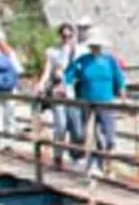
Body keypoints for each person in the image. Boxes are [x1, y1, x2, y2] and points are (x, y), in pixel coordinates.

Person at [64, 31, 127, 176]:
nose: (95, 48)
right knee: (90, 134)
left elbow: (119, 79)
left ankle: (108, 166)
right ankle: (92, 165)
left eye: (98, 45)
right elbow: (68, 76)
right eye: (93, 45)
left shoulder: (110, 60)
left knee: (109, 136)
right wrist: (64, 87)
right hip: (88, 102)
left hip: (106, 102)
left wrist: (123, 97)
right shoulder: (82, 60)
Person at [39, 23, 81, 168]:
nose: (67, 38)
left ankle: (75, 157)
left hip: (73, 93)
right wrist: (41, 84)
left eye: (69, 36)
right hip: (58, 92)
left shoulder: (78, 52)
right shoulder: (52, 52)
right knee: (61, 125)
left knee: (76, 128)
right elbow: (47, 71)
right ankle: (58, 157)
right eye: (64, 36)